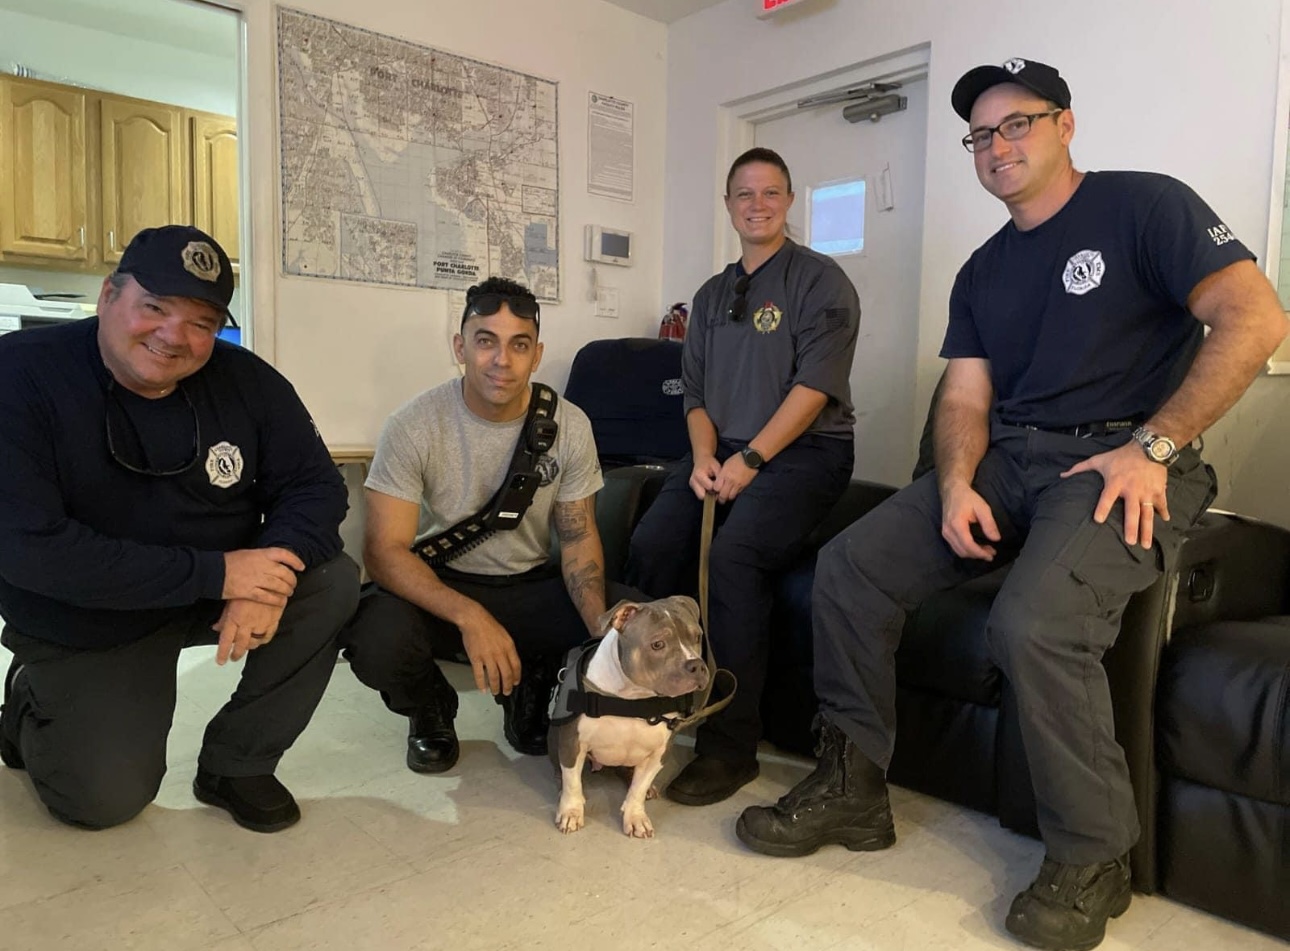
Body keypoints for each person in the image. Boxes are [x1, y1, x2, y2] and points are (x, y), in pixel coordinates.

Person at [734, 59, 1288, 951]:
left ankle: (1094, 852)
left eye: (1017, 124)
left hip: (1123, 458)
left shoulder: (1146, 206)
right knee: (849, 567)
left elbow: (1257, 317)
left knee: (1032, 622)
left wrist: (1155, 446)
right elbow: (964, 399)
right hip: (1006, 461)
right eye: (981, 136)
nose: (997, 147)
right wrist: (952, 484)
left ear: (1065, 125)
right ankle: (854, 786)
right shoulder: (984, 268)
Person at [0, 225, 359, 833]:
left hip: (210, 592)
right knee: (102, 804)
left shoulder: (249, 381)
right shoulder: (19, 375)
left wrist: (264, 570)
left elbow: (317, 487)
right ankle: (31, 700)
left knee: (331, 579)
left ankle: (236, 765)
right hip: (89, 615)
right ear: (108, 295)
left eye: (202, 322)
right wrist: (221, 573)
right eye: (155, 307)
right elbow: (31, 550)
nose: (174, 336)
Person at [626, 147, 861, 806]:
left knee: (733, 556)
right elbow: (694, 393)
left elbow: (815, 388)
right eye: (744, 195)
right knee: (653, 543)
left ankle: (730, 746)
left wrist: (751, 460)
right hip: (719, 448)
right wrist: (705, 458)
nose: (757, 205)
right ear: (728, 205)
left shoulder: (820, 282)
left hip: (805, 453)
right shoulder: (708, 295)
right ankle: (644, 709)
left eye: (770, 194)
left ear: (788, 202)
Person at [341, 277, 642, 771]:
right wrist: (471, 617)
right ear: (460, 347)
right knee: (372, 635)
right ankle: (430, 707)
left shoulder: (569, 424)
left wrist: (600, 633)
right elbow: (384, 552)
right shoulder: (413, 425)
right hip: (439, 587)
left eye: (518, 345)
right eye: (486, 341)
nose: (502, 360)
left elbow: (578, 536)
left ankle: (533, 683)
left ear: (537, 354)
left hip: (528, 583)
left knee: (639, 620)